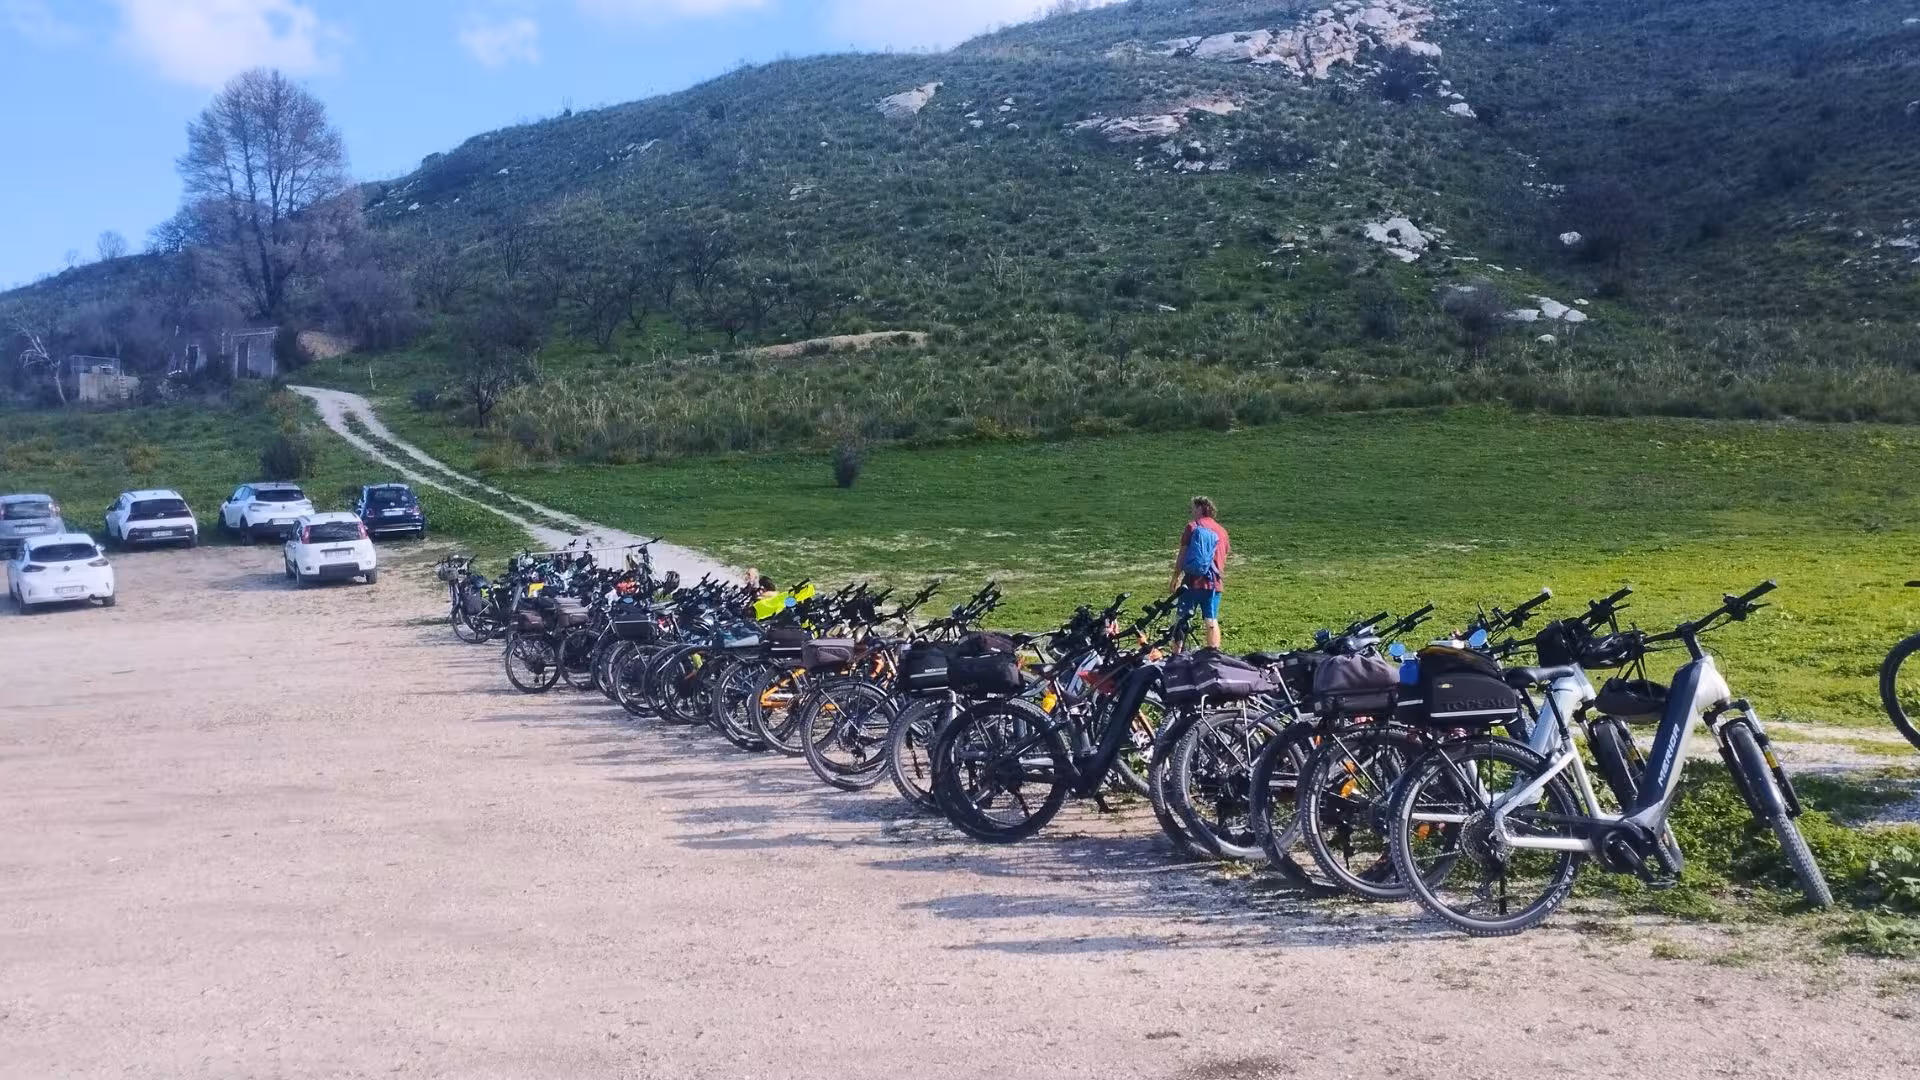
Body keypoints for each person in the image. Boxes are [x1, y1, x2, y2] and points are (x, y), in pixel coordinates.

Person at [1169, 496, 1230, 651]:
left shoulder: (1193, 527)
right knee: (1211, 620)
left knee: (1181, 619)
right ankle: (1213, 655)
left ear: (1200, 509)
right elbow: (1224, 556)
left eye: (1193, 508)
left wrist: (1175, 577)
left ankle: (1176, 656)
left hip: (1192, 582)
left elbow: (1182, 555)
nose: (1191, 511)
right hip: (1214, 584)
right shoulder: (1222, 531)